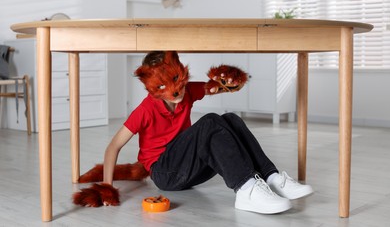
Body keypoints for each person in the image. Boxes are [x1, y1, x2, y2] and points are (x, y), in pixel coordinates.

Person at [84, 51, 313, 214]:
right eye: (165, 86)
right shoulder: (145, 110)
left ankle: (270, 177)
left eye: (177, 80)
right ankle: (246, 190)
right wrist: (107, 187)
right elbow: (113, 146)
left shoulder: (188, 91)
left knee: (230, 118)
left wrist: (229, 80)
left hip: (190, 167)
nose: (176, 91)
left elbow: (217, 87)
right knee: (211, 121)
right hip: (166, 173)